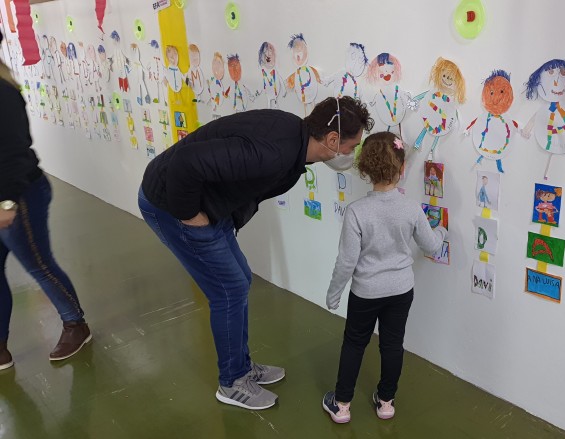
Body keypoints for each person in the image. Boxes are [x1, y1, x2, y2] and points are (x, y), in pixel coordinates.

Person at [138, 96, 373, 410]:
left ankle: (242, 367)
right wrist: (191, 216)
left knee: (241, 280)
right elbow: (186, 162)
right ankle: (232, 382)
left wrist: (224, 219)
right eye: (352, 146)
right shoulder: (276, 152)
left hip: (208, 204)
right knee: (229, 289)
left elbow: (245, 181)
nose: (351, 154)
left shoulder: (294, 138)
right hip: (170, 203)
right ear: (332, 139)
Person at [322, 132, 448, 423]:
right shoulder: (411, 208)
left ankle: (341, 405)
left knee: (354, 344)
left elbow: (346, 261)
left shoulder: (356, 212)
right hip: (401, 291)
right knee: (392, 345)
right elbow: (431, 246)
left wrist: (333, 294)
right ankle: (386, 402)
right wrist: (441, 231)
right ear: (402, 168)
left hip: (365, 292)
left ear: (365, 169)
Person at [0, 30, 91, 371]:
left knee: (38, 264)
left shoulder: (3, 93)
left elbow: (14, 153)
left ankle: (76, 324)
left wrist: (7, 203)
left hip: (19, 197)